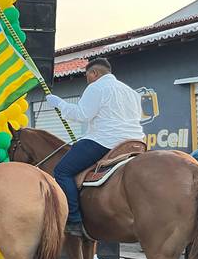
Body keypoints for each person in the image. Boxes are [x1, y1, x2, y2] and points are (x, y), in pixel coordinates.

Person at [47, 57, 144, 238]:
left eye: (87, 76)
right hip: (135, 142)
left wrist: (59, 103)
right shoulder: (131, 91)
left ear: (94, 73)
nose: (87, 79)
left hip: (105, 140)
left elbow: (82, 115)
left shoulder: (96, 87)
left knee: (62, 171)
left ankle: (74, 221)